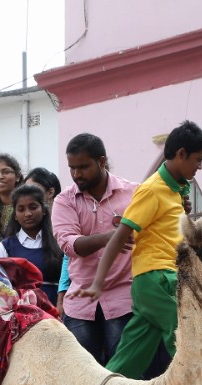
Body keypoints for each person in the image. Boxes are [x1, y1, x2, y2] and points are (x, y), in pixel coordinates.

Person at [76, 121, 202, 380]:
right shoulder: (151, 190)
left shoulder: (175, 190)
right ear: (181, 154)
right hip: (156, 279)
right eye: (198, 159)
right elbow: (119, 237)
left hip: (160, 279)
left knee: (127, 361)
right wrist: (97, 283)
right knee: (186, 333)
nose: (200, 166)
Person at [51, 134, 136, 364]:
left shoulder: (133, 194)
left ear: (101, 162)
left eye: (83, 167)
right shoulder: (64, 200)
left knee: (125, 379)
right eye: (72, 168)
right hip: (80, 305)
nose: (77, 174)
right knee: (81, 380)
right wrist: (110, 237)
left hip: (124, 301)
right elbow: (68, 244)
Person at [0, 183, 64, 305]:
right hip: (22, 313)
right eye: (21, 209)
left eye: (33, 207)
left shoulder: (59, 241)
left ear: (43, 210)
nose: (27, 214)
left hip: (58, 310)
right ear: (15, 215)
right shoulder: (5, 247)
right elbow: (1, 288)